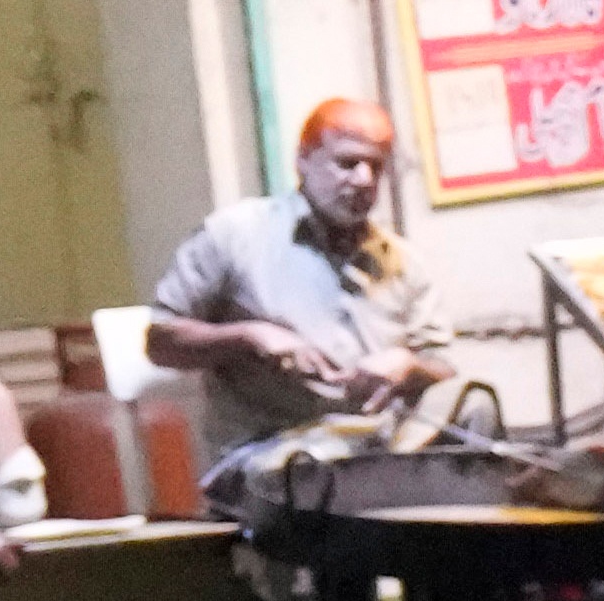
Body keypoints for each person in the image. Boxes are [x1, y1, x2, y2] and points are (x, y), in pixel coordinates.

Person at [143, 96, 425, 450]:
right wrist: (250, 336)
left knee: (476, 411)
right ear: (303, 159)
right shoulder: (235, 236)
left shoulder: (401, 260)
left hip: (380, 452)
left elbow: (440, 363)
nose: (364, 179)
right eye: (347, 163)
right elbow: (160, 341)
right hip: (272, 455)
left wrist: (409, 364)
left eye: (376, 166)